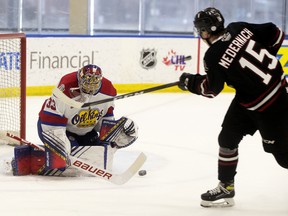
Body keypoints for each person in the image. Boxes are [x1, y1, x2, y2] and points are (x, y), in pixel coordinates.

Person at [178, 7, 287, 207]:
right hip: (249, 99)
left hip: (273, 105)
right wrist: (265, 59)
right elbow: (277, 33)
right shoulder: (239, 28)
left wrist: (190, 83)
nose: (201, 35)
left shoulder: (213, 55)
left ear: (206, 31)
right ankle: (226, 186)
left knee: (283, 157)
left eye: (200, 31)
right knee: (227, 137)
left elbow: (211, 90)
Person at [13, 64, 138, 177]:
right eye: (87, 81)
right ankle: (31, 159)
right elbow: (50, 121)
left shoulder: (108, 90)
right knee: (65, 157)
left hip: (86, 132)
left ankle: (61, 158)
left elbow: (104, 121)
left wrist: (115, 133)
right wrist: (60, 145)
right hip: (56, 127)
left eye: (94, 82)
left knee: (102, 149)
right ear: (79, 78)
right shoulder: (65, 87)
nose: (90, 86)